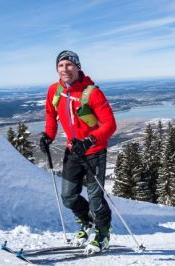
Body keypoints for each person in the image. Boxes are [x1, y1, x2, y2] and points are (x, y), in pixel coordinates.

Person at [39, 50, 117, 253]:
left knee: (95, 198)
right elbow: (50, 113)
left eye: (69, 65)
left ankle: (102, 233)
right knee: (68, 196)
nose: (65, 69)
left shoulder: (92, 93)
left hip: (94, 152)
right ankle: (87, 222)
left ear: (78, 67)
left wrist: (89, 140)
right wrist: (49, 135)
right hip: (73, 151)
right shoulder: (54, 91)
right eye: (61, 66)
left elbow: (110, 125)